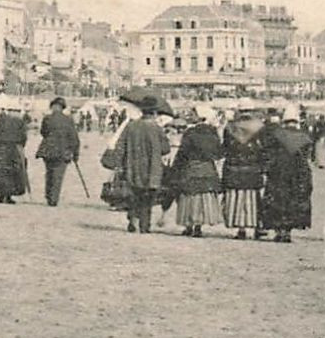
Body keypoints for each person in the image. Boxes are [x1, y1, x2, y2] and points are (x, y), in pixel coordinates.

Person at [114, 94, 171, 235]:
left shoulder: (131, 126)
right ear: (155, 112)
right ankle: (145, 225)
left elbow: (120, 146)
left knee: (134, 194)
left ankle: (133, 219)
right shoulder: (156, 128)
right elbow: (166, 149)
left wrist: (119, 164)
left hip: (132, 166)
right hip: (152, 169)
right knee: (147, 198)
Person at [259, 105, 313, 242]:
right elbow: (307, 155)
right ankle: (288, 231)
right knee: (295, 199)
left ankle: (279, 230)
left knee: (278, 199)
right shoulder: (304, 136)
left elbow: (268, 152)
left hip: (279, 171)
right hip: (299, 172)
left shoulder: (277, 134)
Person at [172, 107, 223, 238]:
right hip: (207, 169)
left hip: (191, 168)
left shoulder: (190, 132)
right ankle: (198, 226)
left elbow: (183, 153)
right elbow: (218, 153)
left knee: (189, 198)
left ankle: (189, 225)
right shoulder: (213, 133)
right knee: (203, 199)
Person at [222, 106, 266, 240]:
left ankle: (240, 228)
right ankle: (256, 226)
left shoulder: (230, 128)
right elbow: (263, 149)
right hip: (252, 168)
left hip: (234, 167)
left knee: (236, 199)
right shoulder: (260, 127)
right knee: (253, 198)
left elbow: (225, 147)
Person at [35, 97, 80, 207]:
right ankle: (53, 198)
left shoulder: (47, 118)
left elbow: (43, 132)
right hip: (63, 151)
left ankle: (49, 195)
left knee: (49, 173)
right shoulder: (68, 119)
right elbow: (74, 138)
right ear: (62, 108)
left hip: (48, 150)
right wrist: (76, 154)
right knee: (58, 175)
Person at [0, 99, 30, 204]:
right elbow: (24, 137)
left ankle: (1, 195)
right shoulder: (20, 121)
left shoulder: (2, 120)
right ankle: (9, 195)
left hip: (1, 147)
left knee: (1, 172)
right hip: (15, 148)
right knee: (13, 172)